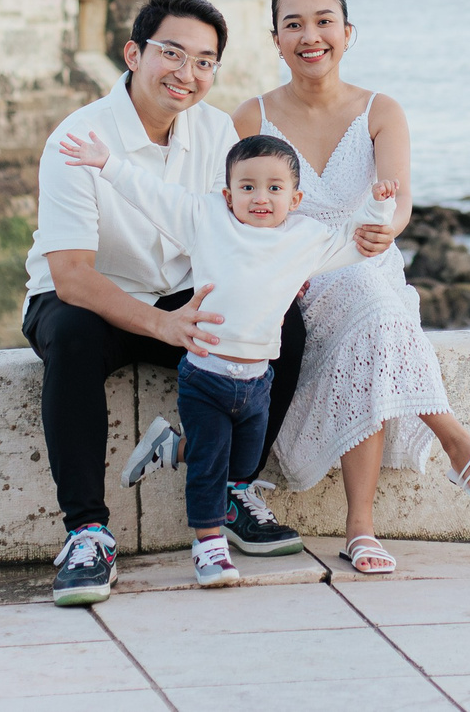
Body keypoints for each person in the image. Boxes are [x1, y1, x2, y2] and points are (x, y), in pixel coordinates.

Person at [19, 0, 308, 607]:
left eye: (205, 61)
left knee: (290, 321)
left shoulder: (216, 131)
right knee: (68, 337)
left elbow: (241, 235)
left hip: (181, 298)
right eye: (172, 53)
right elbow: (70, 274)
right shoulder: (79, 137)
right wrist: (162, 325)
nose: (188, 73)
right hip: (93, 302)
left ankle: (230, 490)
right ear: (133, 53)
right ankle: (87, 534)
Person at [241, 0, 470, 578]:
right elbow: (243, 210)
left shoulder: (380, 110)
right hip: (298, 279)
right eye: (294, 24)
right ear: (275, 39)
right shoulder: (251, 116)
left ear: (348, 33)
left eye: (323, 22)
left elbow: (398, 200)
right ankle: (449, 446)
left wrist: (386, 226)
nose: (310, 35)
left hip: (370, 263)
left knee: (372, 304)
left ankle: (366, 525)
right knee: (373, 310)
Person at [58, 129, 395, 585]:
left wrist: (379, 208)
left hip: (258, 383)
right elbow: (154, 196)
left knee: (239, 466)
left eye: (274, 188)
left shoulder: (305, 239)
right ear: (228, 193)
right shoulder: (206, 218)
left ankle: (173, 447)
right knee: (211, 469)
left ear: (295, 198)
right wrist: (107, 164)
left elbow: (355, 245)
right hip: (206, 375)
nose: (261, 197)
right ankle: (210, 548)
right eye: (248, 187)